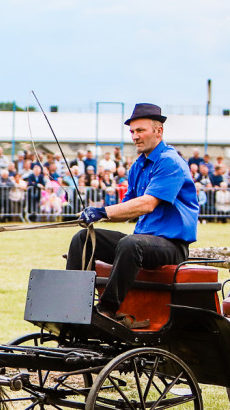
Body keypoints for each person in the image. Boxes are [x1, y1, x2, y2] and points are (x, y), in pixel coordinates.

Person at [67, 103, 199, 326]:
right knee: (84, 239)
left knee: (131, 244)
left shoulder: (170, 161)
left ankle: (106, 310)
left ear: (159, 131)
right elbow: (127, 208)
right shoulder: (138, 166)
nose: (134, 136)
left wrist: (103, 212)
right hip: (143, 242)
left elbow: (147, 204)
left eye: (140, 130)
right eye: (132, 132)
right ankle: (74, 306)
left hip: (171, 245)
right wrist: (96, 213)